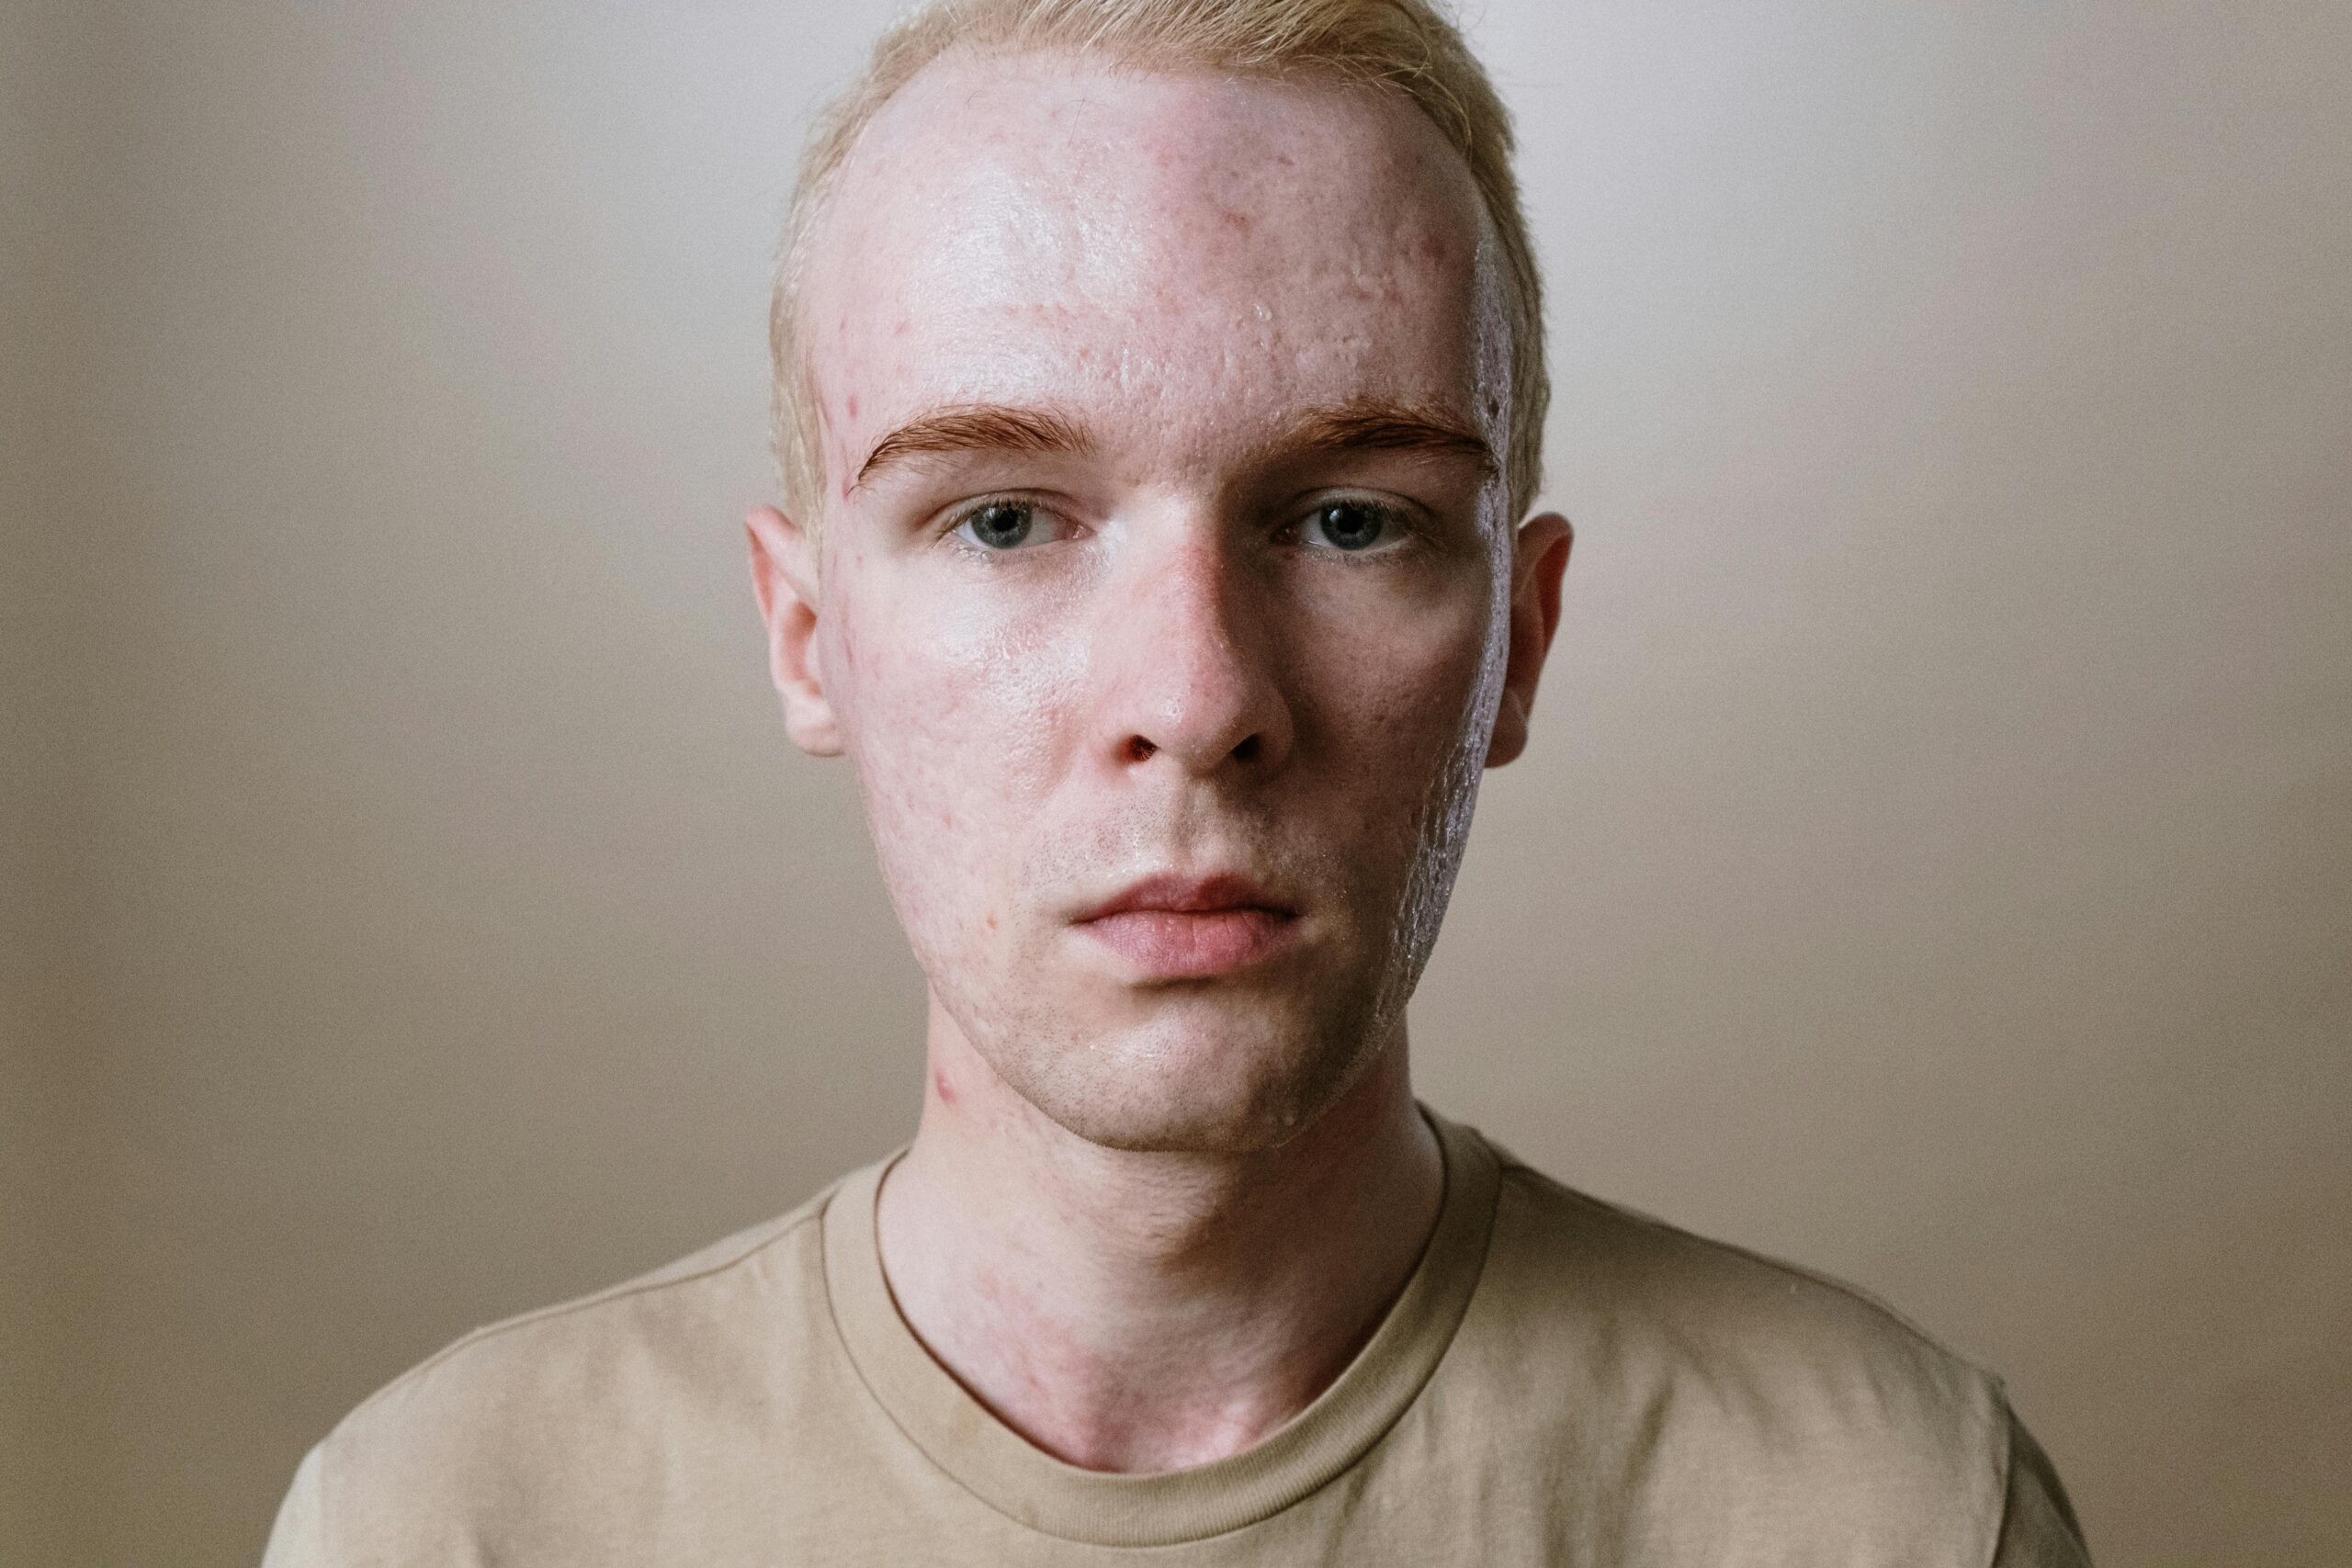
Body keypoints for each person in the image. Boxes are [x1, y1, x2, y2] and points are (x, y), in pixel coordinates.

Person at [262, 0, 2091, 1561]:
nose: (1195, 695)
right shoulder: (453, 1523)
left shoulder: (1888, 1509)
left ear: (1513, 643)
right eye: (1001, 517)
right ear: (806, 631)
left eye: (1349, 518)